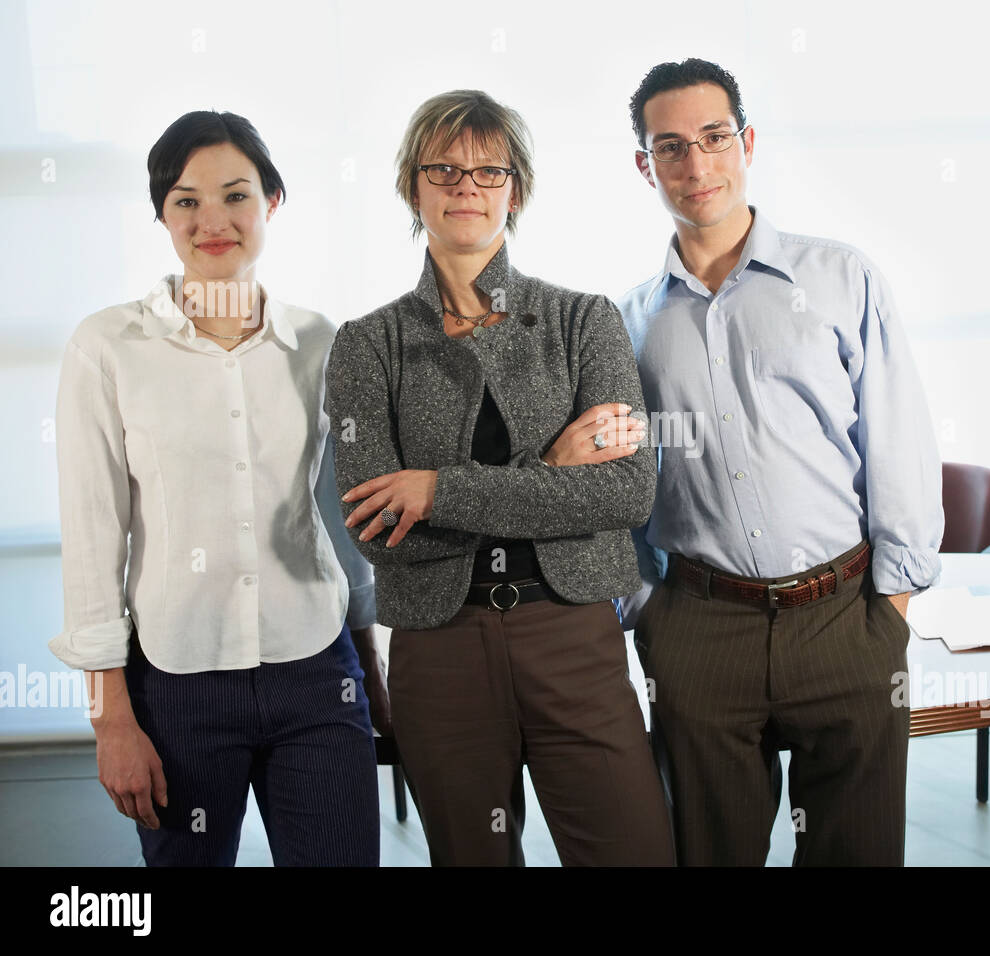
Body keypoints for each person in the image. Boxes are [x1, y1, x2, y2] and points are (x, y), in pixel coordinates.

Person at [325, 89, 674, 867]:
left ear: (516, 189)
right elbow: (380, 530)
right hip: (439, 648)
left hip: (572, 631)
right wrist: (549, 470)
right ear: (412, 187)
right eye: (443, 170)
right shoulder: (366, 345)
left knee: (634, 851)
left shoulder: (583, 321)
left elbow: (624, 493)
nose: (466, 189)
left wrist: (437, 489)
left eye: (489, 172)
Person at [616, 59, 945, 866]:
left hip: (846, 618)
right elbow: (616, 484)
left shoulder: (840, 278)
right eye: (670, 148)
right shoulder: (629, 322)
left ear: (747, 141)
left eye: (714, 138)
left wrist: (891, 609)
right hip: (698, 632)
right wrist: (644, 610)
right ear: (644, 165)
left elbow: (898, 442)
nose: (696, 165)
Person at [50, 110, 384, 866]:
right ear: (162, 216)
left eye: (235, 195)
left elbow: (338, 513)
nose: (212, 221)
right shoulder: (108, 347)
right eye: (186, 201)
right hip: (177, 685)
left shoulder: (321, 342)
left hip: (316, 671)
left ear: (272, 202)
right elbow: (93, 534)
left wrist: (368, 662)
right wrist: (111, 721)